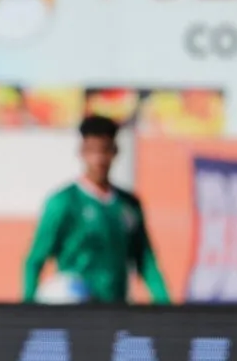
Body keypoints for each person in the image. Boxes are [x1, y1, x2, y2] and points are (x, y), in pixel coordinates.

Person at [23, 115, 170, 304]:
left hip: (116, 309)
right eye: (92, 151)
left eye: (105, 150)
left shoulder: (128, 205)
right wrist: (26, 310)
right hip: (77, 311)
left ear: (115, 152)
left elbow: (146, 261)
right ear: (82, 152)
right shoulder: (64, 202)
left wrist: (165, 305)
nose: (99, 159)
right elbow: (36, 259)